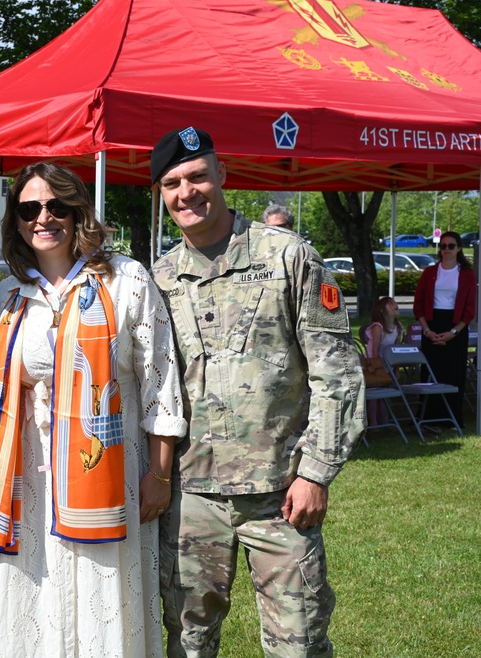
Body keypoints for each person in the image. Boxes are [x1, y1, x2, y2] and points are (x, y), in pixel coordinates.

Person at [0, 161, 186, 657]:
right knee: (30, 594)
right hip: (27, 480)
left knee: (103, 592)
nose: (44, 217)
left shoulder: (125, 280)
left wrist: (160, 473)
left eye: (57, 205)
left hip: (107, 473)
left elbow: (160, 381)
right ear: (15, 219)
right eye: (30, 208)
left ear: (79, 211)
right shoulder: (7, 293)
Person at [149, 126, 365, 658]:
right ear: (161, 194)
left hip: (280, 494)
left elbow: (336, 373)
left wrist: (315, 472)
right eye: (173, 183)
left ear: (222, 176)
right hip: (190, 497)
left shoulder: (287, 258)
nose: (186, 192)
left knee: (300, 642)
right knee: (187, 642)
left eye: (198, 176)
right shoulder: (157, 279)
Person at [413, 231, 476, 429]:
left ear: (459, 248)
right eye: (443, 246)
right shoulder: (430, 272)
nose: (446, 250)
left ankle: (451, 419)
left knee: (452, 374)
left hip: (456, 328)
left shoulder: (466, 274)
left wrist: (453, 333)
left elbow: (469, 310)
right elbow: (419, 304)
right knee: (431, 373)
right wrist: (427, 331)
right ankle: (427, 417)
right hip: (432, 325)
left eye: (451, 246)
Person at [362, 297, 403, 426]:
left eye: (395, 302)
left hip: (388, 365)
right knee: (375, 395)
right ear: (381, 310)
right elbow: (374, 351)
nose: (396, 305)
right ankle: (373, 423)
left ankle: (385, 421)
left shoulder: (398, 327)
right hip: (373, 365)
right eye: (391, 304)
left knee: (385, 396)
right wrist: (380, 369)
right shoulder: (377, 327)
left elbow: (396, 350)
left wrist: (396, 369)